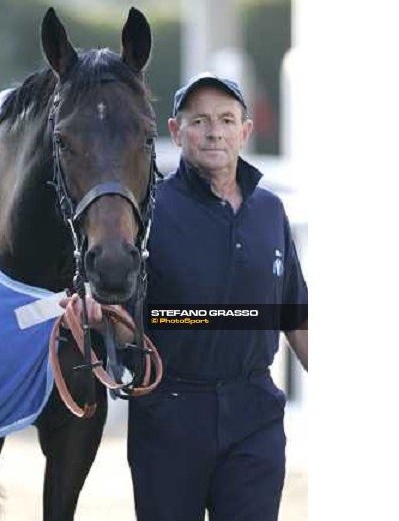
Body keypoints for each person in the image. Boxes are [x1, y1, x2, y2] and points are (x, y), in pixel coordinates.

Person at [126, 72, 308, 521]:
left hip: (255, 414)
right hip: (169, 413)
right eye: (200, 120)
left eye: (227, 120)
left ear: (245, 131)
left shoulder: (270, 210)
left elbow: (293, 313)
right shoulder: (146, 211)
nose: (214, 132)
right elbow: (131, 319)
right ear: (175, 131)